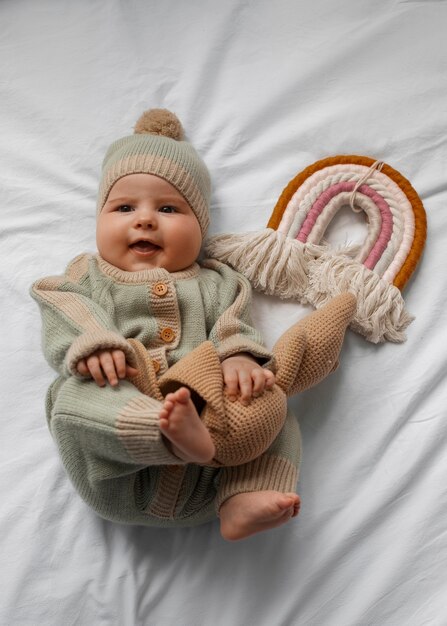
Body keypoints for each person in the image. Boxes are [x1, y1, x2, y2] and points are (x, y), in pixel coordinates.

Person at [31, 108, 355, 540]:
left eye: (168, 208)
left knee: (268, 400)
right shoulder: (87, 275)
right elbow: (61, 301)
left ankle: (245, 497)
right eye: (124, 206)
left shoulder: (218, 281)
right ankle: (161, 434)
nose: (144, 219)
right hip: (118, 464)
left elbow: (232, 323)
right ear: (98, 219)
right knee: (73, 398)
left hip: (212, 462)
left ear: (201, 228)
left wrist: (237, 355)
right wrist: (96, 342)